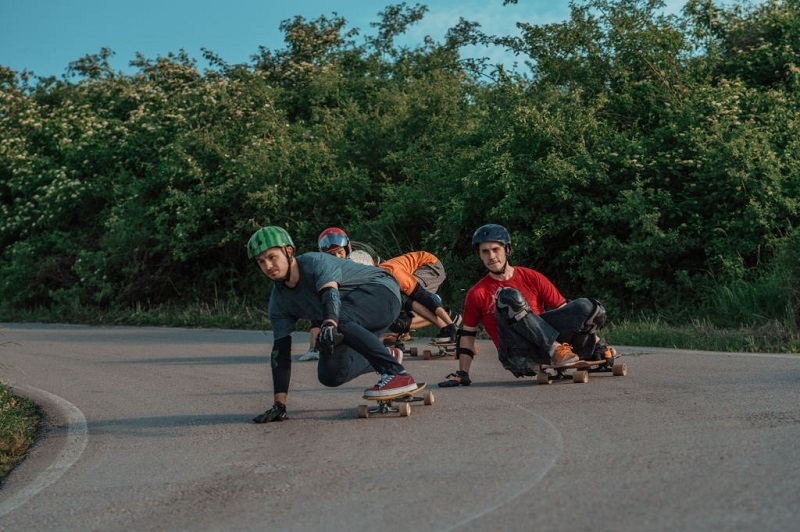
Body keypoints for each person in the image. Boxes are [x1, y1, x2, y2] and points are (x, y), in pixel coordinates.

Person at [247, 226, 419, 422]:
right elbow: (280, 353)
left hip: (382, 293)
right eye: (261, 262)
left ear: (289, 251)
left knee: (337, 319)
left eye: (272, 257)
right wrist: (280, 404)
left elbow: (331, 295)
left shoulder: (314, 262)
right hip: (351, 317)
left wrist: (329, 322)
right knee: (330, 374)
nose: (268, 266)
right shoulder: (278, 302)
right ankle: (387, 355)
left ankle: (397, 373)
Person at [438, 223, 616, 387]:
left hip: (551, 345)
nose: (491, 256)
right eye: (485, 252)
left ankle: (570, 350)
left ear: (507, 250)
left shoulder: (532, 277)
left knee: (588, 306)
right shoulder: (477, 293)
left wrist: (597, 343)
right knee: (507, 297)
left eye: (495, 249)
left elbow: (566, 313)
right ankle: (555, 350)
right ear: (480, 255)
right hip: (516, 353)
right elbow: (468, 335)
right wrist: (463, 373)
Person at [298, 227, 355, 361]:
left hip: (354, 298)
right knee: (319, 306)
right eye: (331, 254)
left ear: (348, 248)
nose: (337, 257)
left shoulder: (358, 259)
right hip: (332, 299)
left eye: (340, 252)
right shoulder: (321, 266)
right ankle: (313, 348)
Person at [378, 251, 459, 344]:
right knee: (398, 322)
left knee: (412, 298)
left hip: (430, 266)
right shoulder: (378, 281)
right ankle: (405, 334)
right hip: (405, 276)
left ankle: (449, 318)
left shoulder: (397, 276)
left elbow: (423, 297)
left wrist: (450, 325)